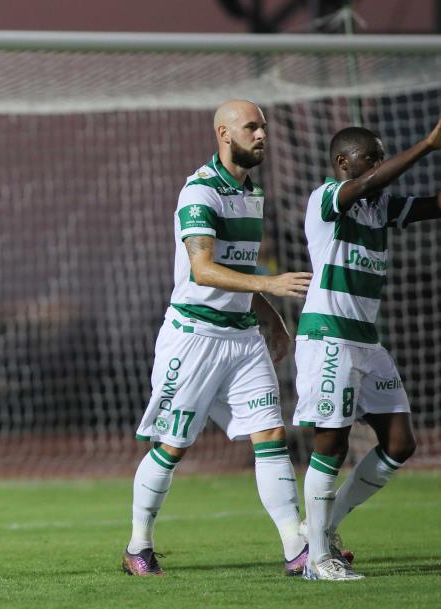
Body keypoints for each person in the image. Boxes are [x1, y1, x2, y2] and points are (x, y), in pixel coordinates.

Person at [124, 100, 313, 577]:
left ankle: (297, 548)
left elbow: (237, 267)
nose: (262, 135)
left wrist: (269, 315)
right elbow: (203, 270)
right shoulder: (200, 191)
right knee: (172, 446)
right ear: (224, 134)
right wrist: (271, 285)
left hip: (242, 337)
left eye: (263, 127)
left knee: (271, 435)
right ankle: (138, 546)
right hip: (194, 337)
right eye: (252, 127)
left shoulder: (251, 192)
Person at [294, 119, 441, 580]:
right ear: (343, 162)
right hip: (329, 336)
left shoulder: (379, 208)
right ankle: (318, 559)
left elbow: (433, 205)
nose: (379, 163)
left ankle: (322, 528)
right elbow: (366, 184)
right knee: (331, 444)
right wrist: (428, 144)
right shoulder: (326, 199)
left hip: (366, 341)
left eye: (381, 156)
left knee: (400, 443)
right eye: (371, 157)